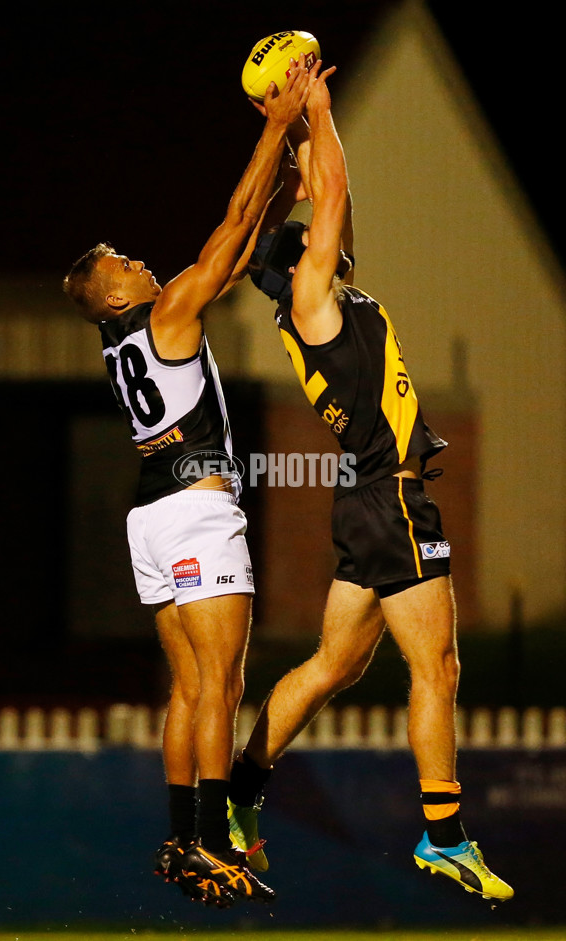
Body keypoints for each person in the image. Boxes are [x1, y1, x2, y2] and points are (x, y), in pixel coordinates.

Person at [226, 62, 514, 902]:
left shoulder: (313, 297)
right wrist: (315, 106)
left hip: (365, 496)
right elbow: (338, 200)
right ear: (302, 261)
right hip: (389, 492)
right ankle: (446, 834)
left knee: (333, 665)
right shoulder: (314, 294)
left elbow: (326, 194)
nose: (333, 235)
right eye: (316, 238)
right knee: (439, 668)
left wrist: (306, 137)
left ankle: (241, 795)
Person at [62, 60, 311, 908]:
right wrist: (277, 128)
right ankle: (207, 842)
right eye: (126, 262)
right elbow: (229, 227)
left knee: (187, 687)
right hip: (198, 510)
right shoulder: (164, 314)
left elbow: (236, 253)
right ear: (114, 294)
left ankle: (179, 841)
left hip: (150, 517)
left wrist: (287, 192)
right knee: (222, 684)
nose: (140, 261)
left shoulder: (125, 340)